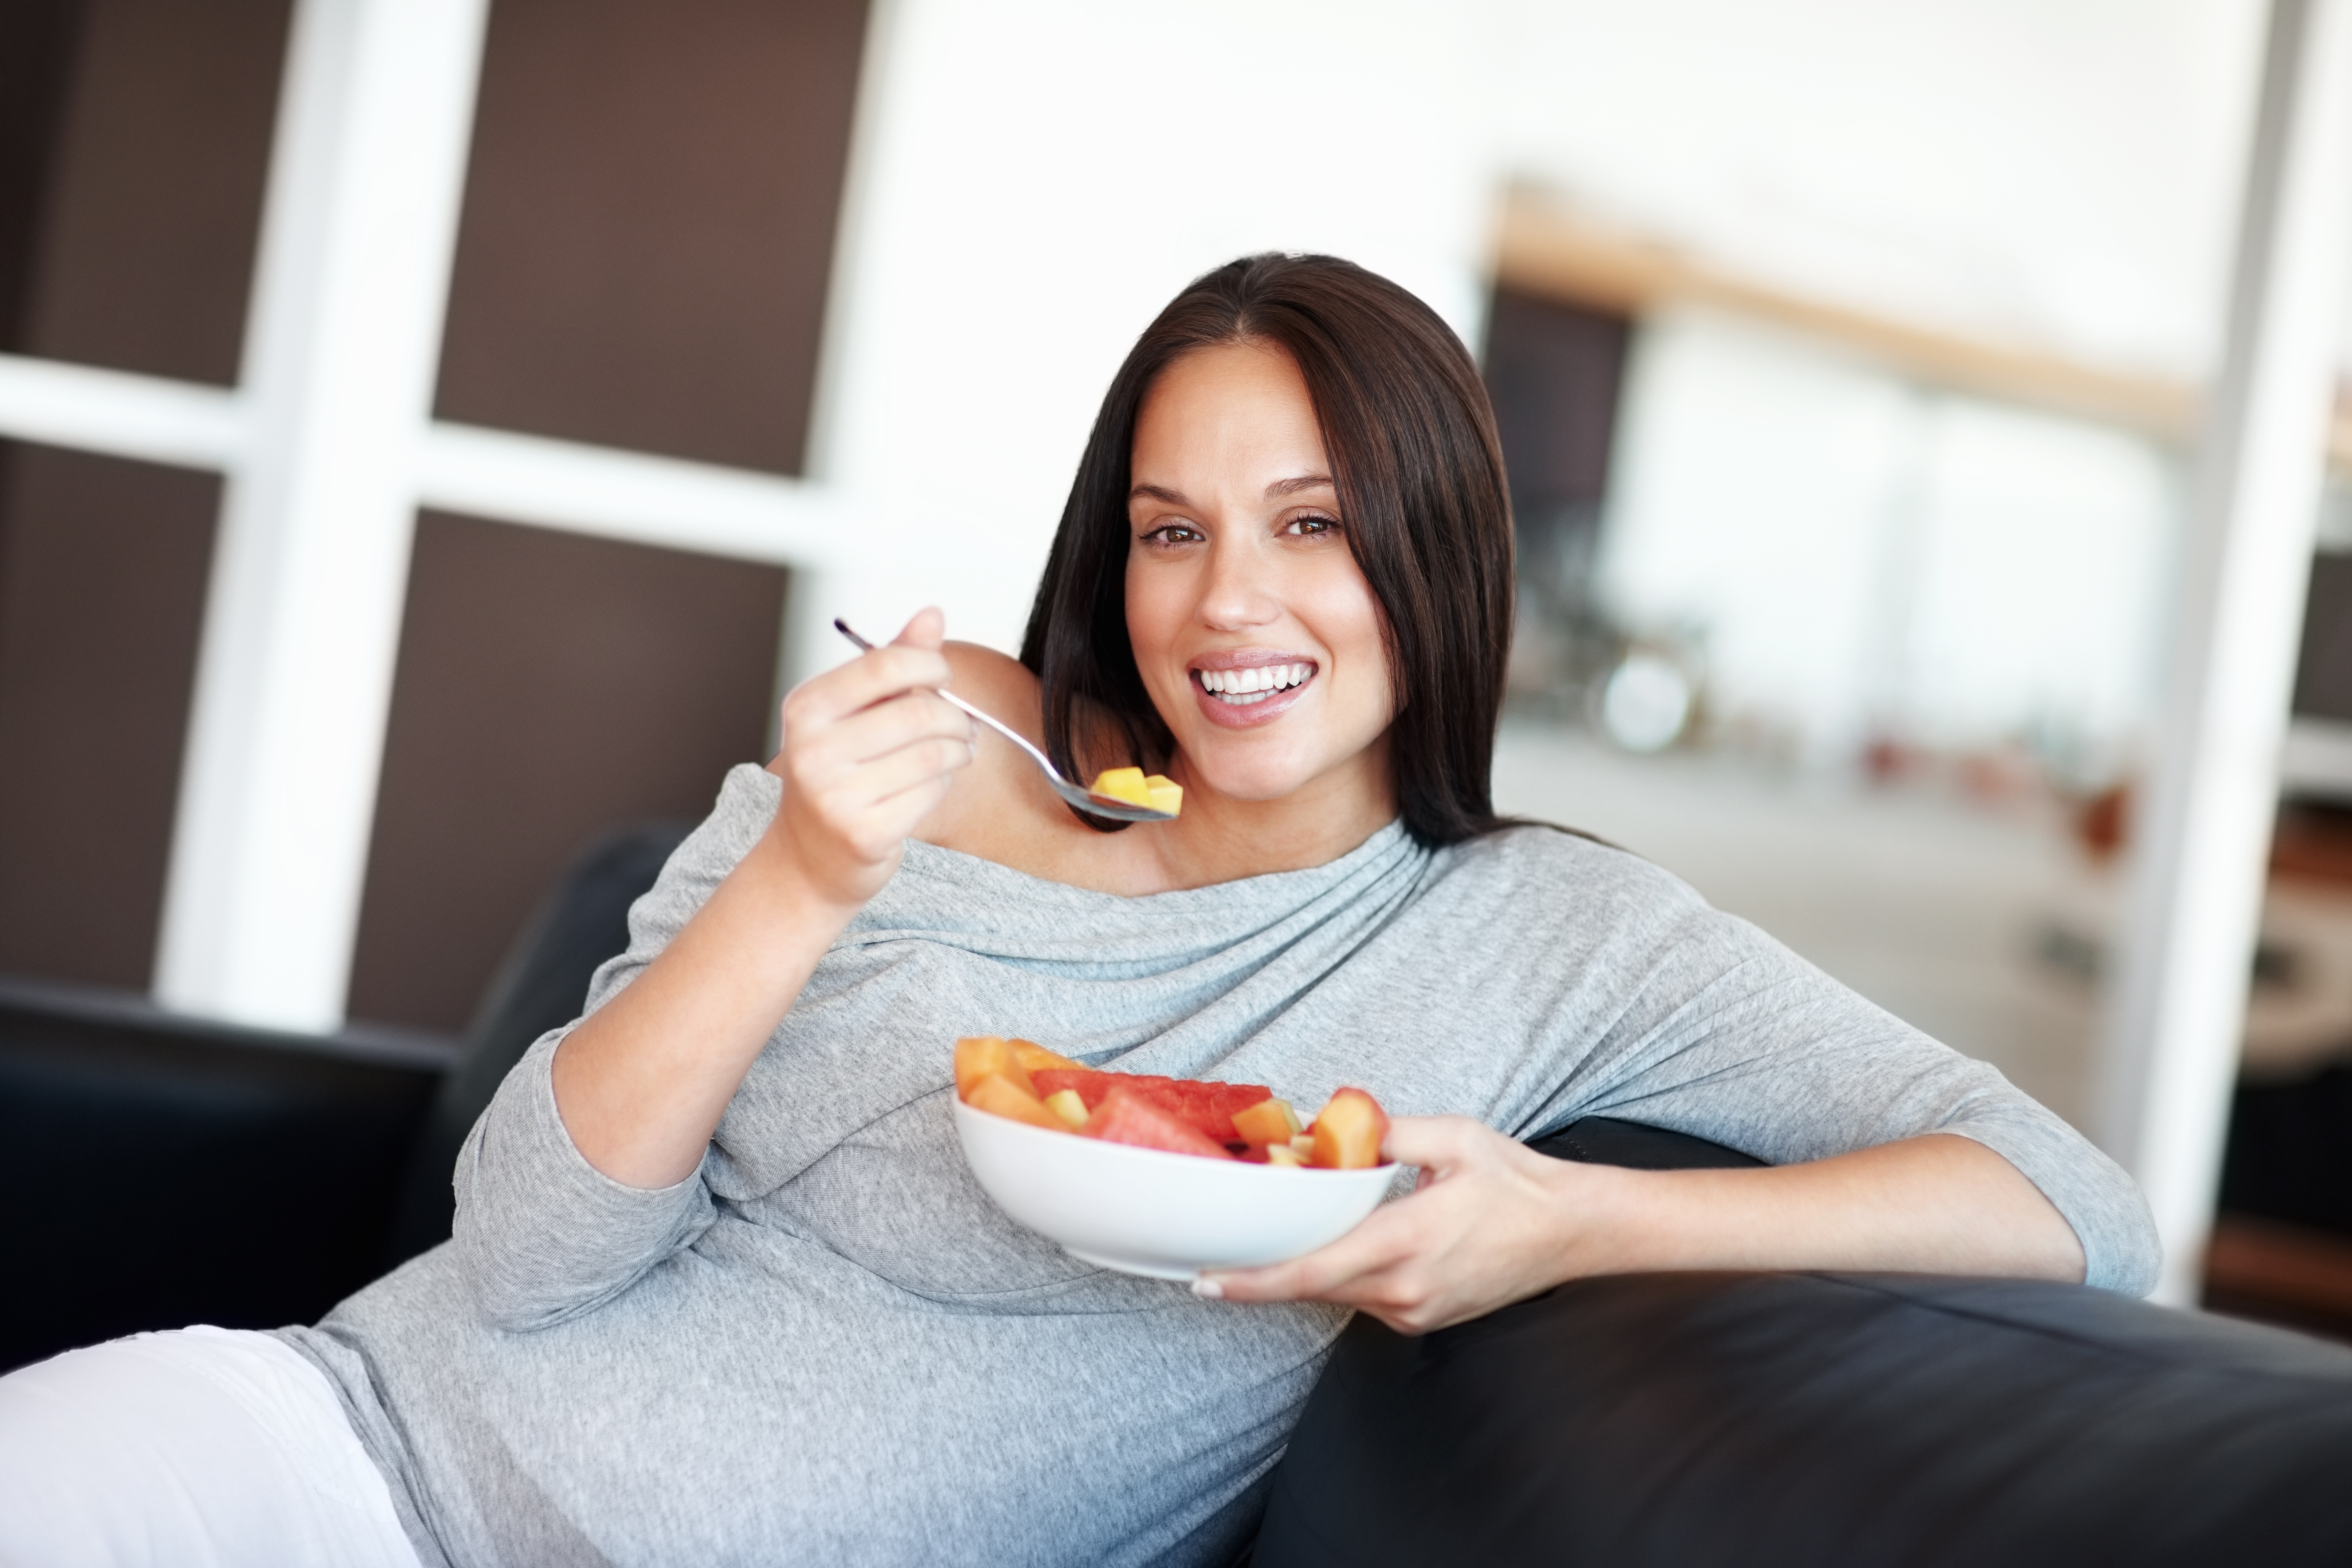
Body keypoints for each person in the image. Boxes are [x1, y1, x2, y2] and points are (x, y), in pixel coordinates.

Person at [0, 254, 2157, 1567]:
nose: (1230, 604)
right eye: (1169, 527)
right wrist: (801, 877)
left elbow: (2077, 1200)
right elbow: (531, 1256)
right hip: (333, 1465)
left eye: (1314, 526)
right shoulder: (932, 739)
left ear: (1441, 558)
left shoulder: (1563, 946)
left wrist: (1580, 1222)